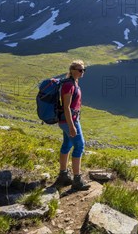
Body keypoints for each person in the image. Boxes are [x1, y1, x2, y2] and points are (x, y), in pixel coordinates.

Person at [55, 60, 91, 191]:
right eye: (80, 70)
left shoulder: (73, 83)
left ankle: (63, 175)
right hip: (69, 120)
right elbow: (66, 107)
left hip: (67, 120)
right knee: (79, 146)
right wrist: (71, 126)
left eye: (84, 70)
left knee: (67, 145)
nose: (82, 72)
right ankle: (77, 180)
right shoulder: (69, 85)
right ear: (72, 70)